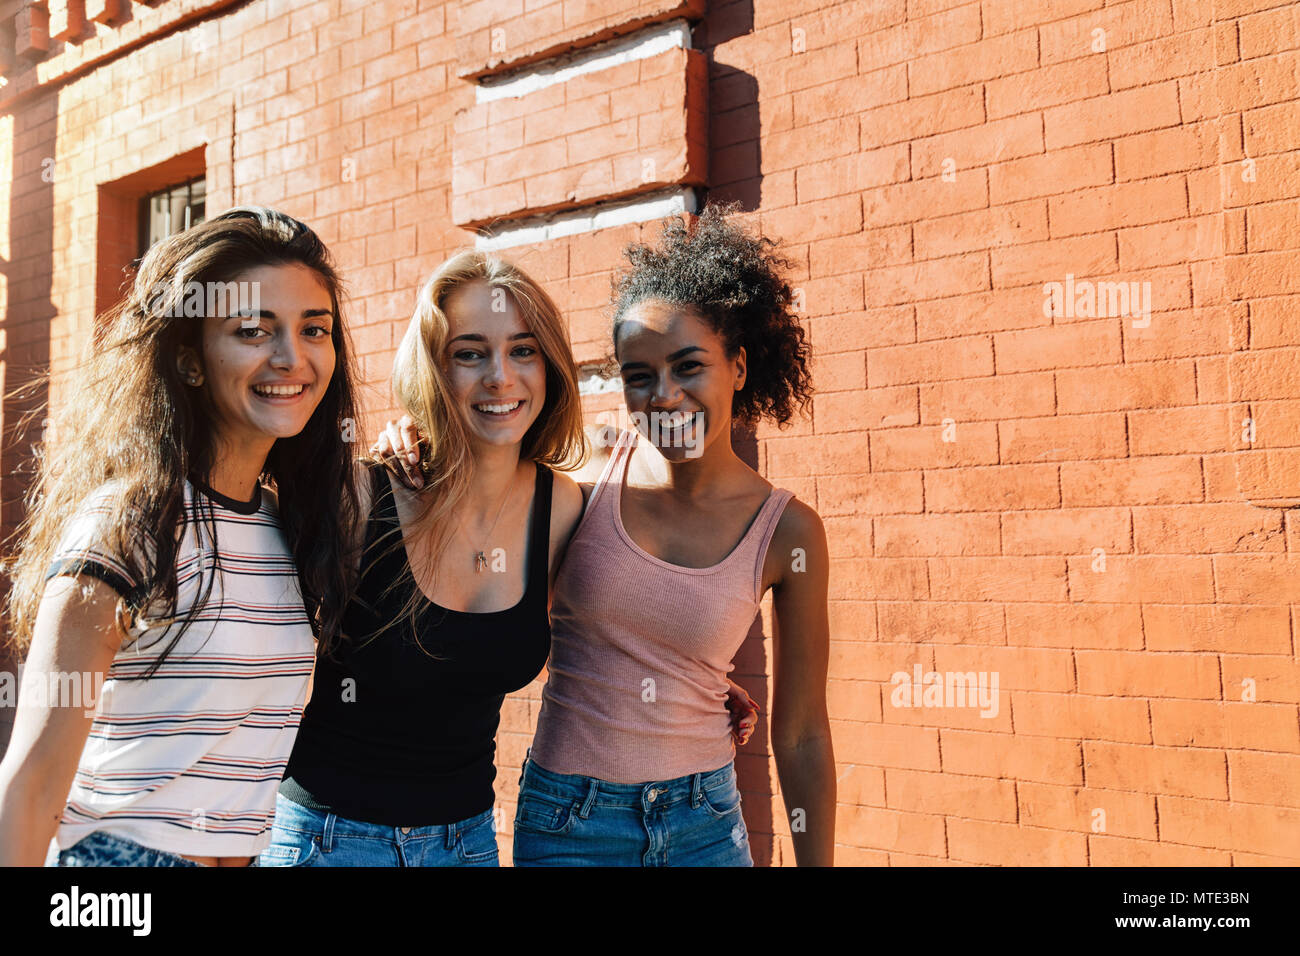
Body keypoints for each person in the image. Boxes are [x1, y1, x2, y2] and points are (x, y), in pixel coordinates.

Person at [376, 204, 832, 866]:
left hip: (704, 821)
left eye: (689, 366)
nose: (665, 395)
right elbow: (478, 465)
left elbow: (801, 734)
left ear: (737, 364)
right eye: (639, 375)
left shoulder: (788, 530)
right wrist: (410, 434)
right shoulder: (581, 468)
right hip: (570, 823)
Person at [0, 207, 362, 867]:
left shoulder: (292, 526)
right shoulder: (129, 524)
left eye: (315, 329)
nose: (293, 357)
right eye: (253, 330)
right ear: (191, 362)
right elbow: (30, 783)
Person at [256, 251, 588, 867]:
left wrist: (697, 673)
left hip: (467, 844)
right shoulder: (361, 495)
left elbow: (613, 611)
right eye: (469, 353)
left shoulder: (561, 505)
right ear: (434, 369)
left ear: (550, 367)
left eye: (523, 350)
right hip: (328, 841)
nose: (499, 377)